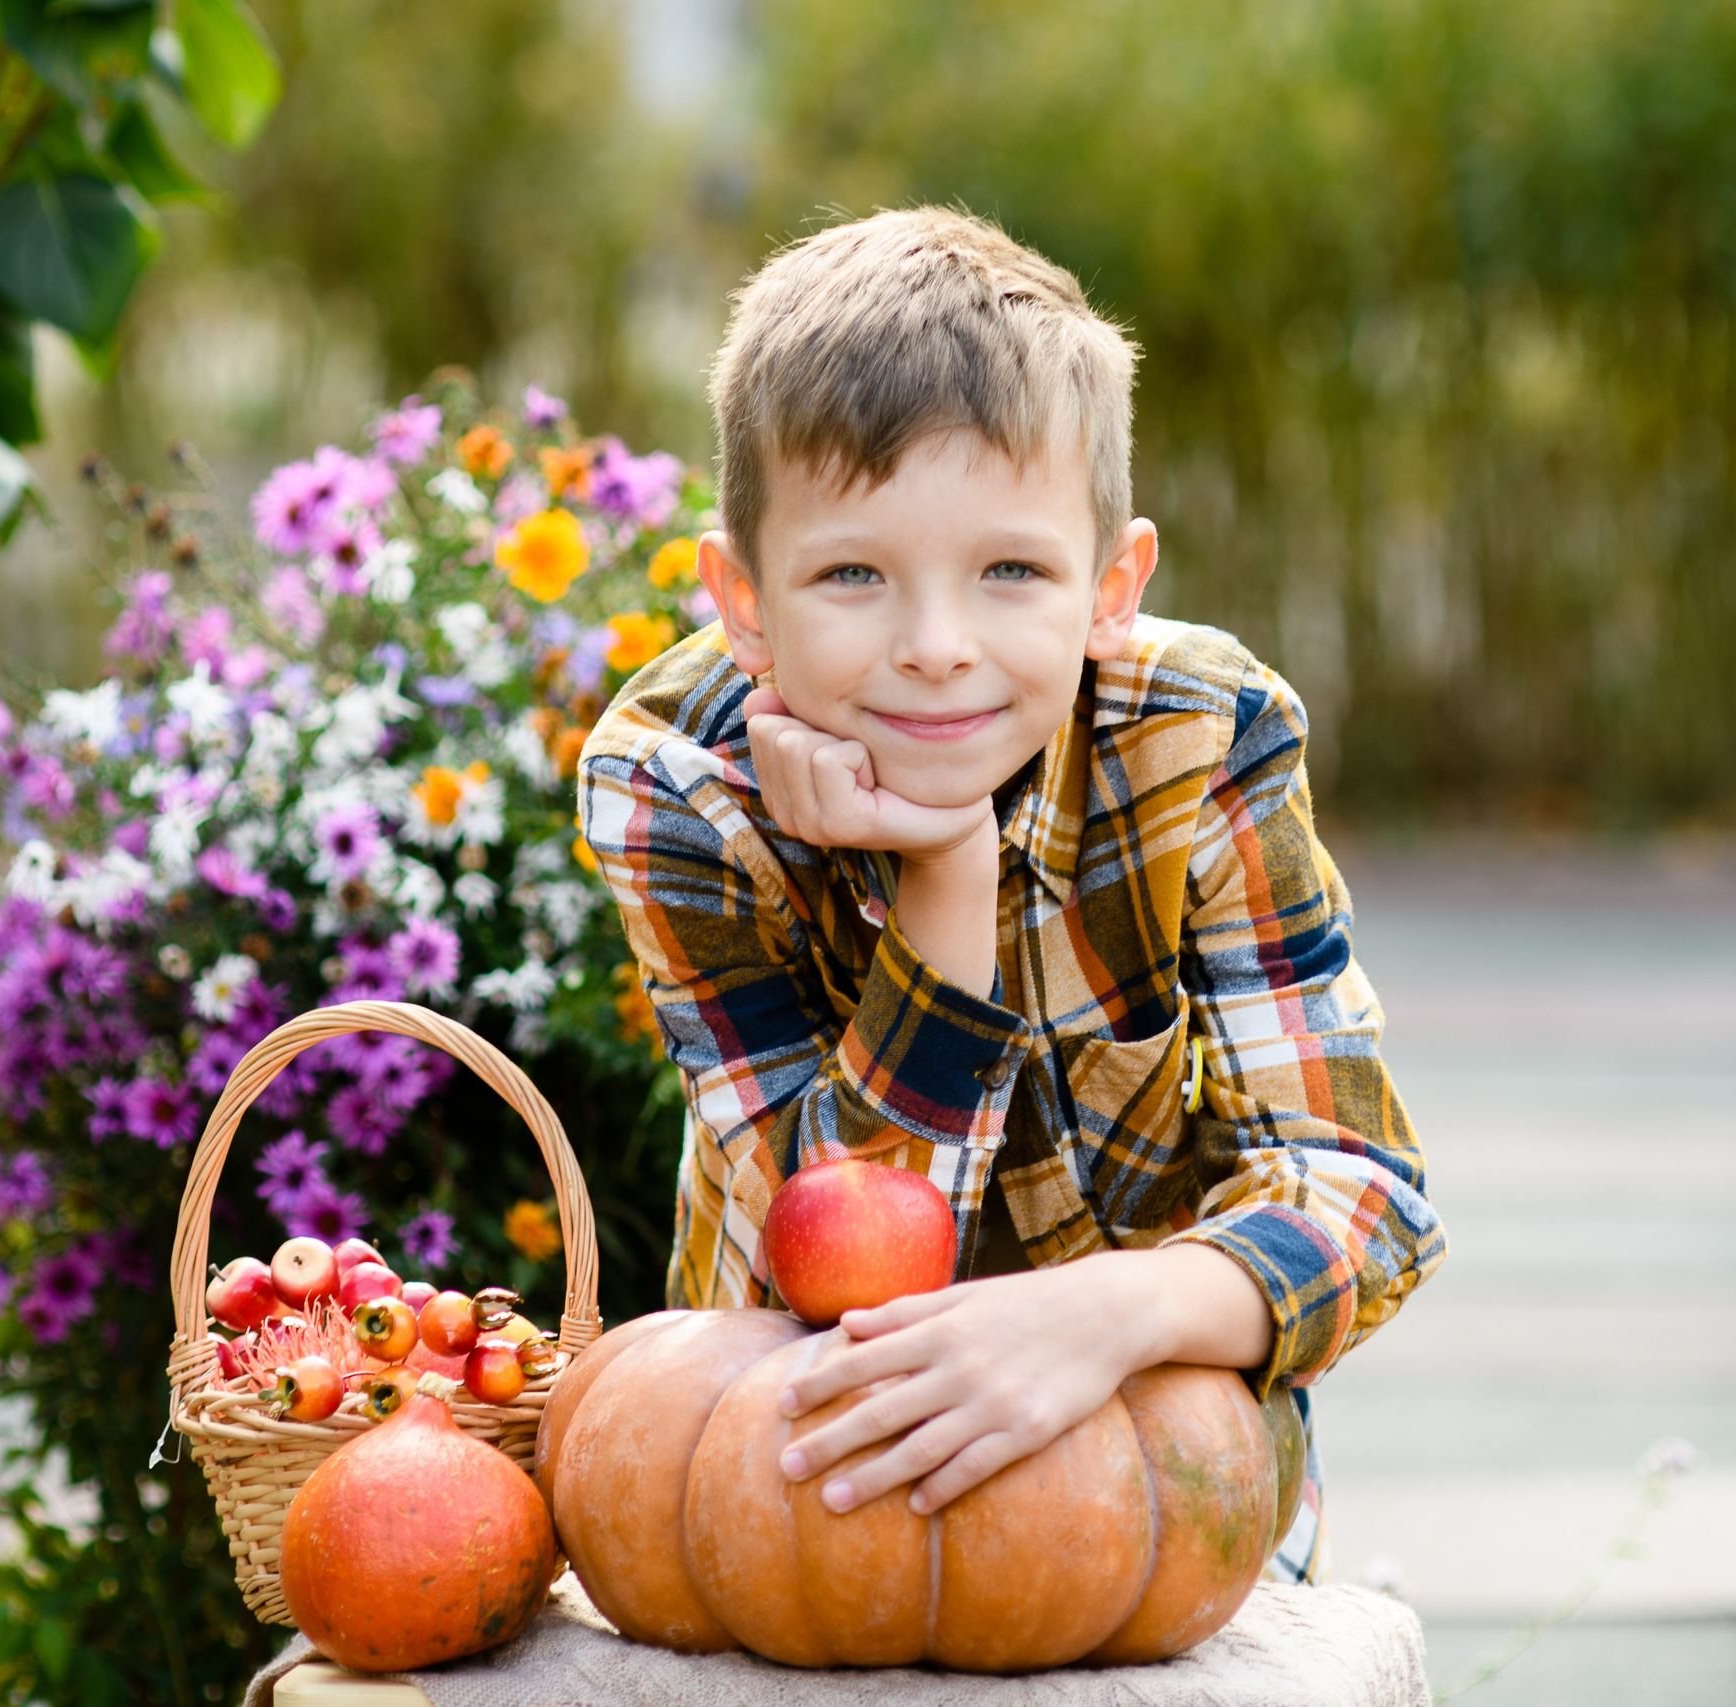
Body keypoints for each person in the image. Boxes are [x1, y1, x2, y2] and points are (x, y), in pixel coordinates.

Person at [575, 207, 1444, 1581]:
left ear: (1111, 587)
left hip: (1145, 1452)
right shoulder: (681, 787)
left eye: (1012, 574)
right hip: (810, 1469)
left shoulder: (1201, 741)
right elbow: (831, 1260)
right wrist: (948, 873)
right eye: (853, 574)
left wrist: (1108, 1313)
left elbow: (1363, 1193)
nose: (936, 650)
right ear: (743, 601)